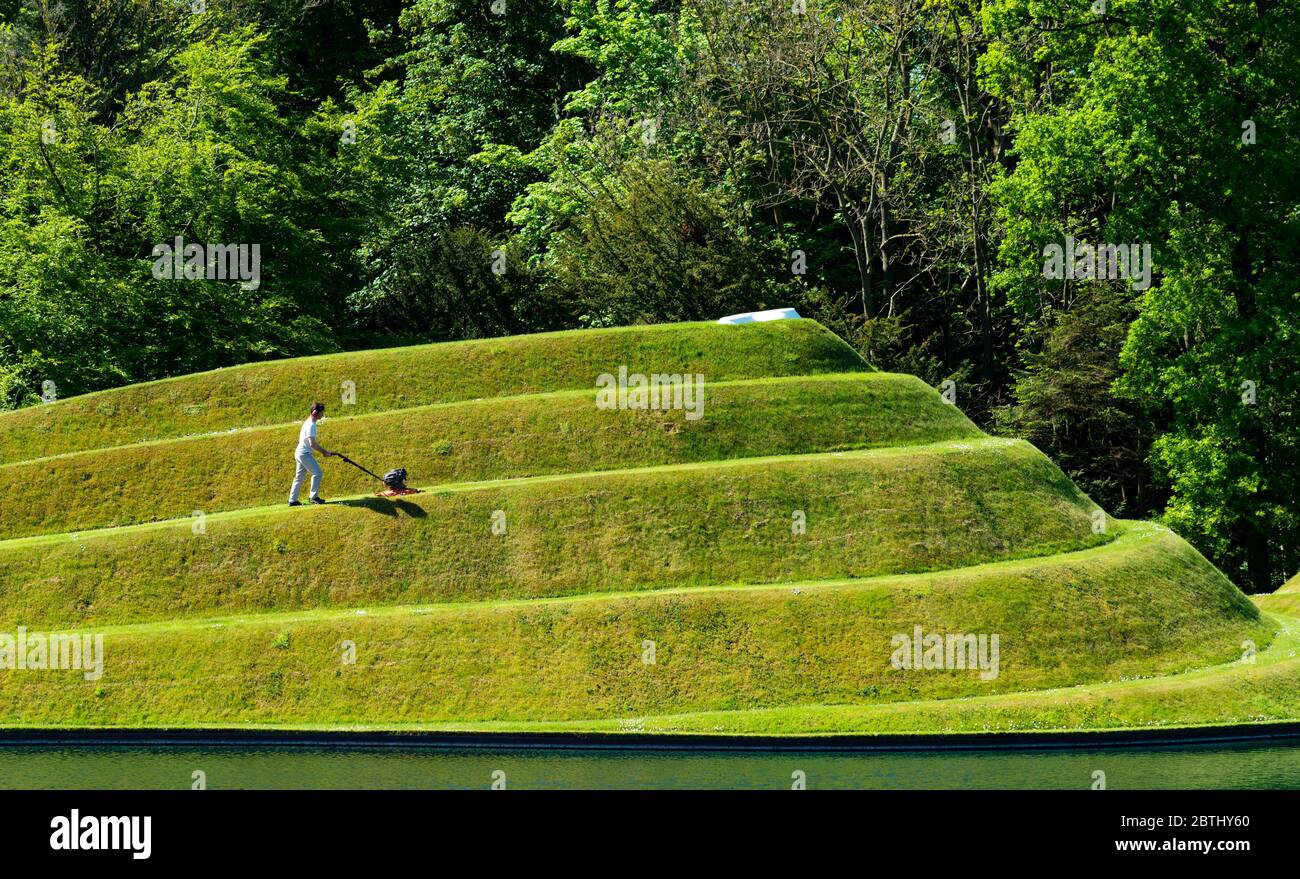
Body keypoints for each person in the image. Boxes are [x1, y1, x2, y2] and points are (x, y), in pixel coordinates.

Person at [289, 401, 335, 506]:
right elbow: (312, 444)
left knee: (299, 477)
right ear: (315, 413)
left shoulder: (309, 422)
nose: (322, 415)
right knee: (318, 473)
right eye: (321, 413)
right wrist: (324, 452)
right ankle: (313, 497)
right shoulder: (311, 425)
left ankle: (292, 500)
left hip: (300, 452)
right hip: (304, 454)